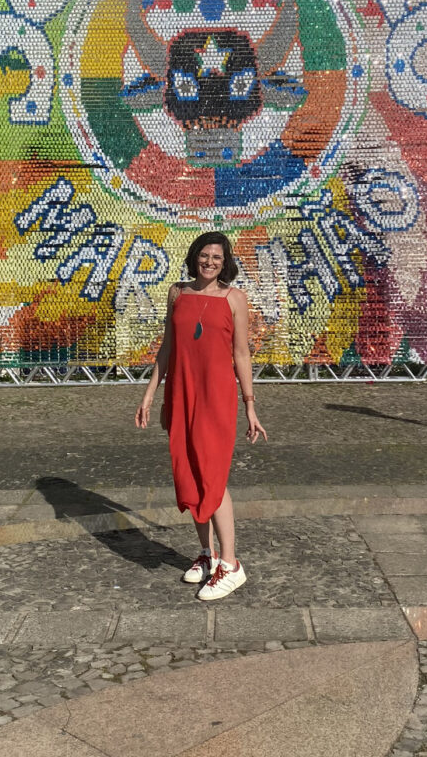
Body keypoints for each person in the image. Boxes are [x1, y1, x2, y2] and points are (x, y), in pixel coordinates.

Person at [135, 231, 267, 600]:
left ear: (226, 264)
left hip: (216, 397)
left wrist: (250, 405)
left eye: (217, 258)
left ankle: (231, 564)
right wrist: (149, 396)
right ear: (195, 257)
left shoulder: (234, 298)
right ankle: (207, 555)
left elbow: (241, 354)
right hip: (181, 394)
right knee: (190, 475)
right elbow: (167, 348)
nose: (210, 262)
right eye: (205, 255)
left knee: (211, 475)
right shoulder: (178, 293)